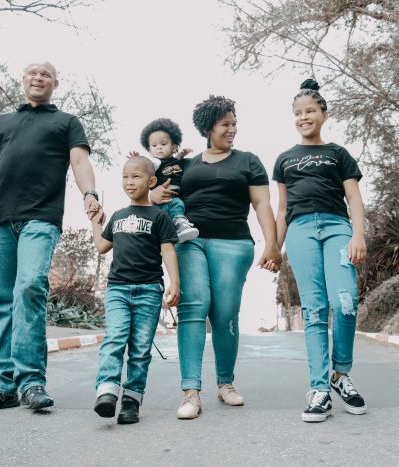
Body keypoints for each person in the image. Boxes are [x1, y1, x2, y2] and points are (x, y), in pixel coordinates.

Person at [0, 62, 102, 413]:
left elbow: (80, 162)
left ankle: (30, 381)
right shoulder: (0, 123)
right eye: (33, 73)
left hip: (41, 217)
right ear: (23, 80)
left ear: (55, 83)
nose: (38, 77)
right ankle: (0, 385)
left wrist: (90, 193)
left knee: (30, 286)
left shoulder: (66, 122)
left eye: (45, 74)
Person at [151, 95, 282, 420]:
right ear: (208, 127)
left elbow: (262, 204)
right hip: (189, 241)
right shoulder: (186, 165)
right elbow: (158, 191)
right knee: (193, 308)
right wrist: (152, 194)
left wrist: (272, 244)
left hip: (233, 243)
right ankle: (191, 392)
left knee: (224, 314)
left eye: (234, 123)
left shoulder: (248, 161)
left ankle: (226, 383)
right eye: (226, 124)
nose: (232, 129)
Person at [273, 79, 367, 423]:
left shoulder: (338, 154)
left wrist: (358, 235)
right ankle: (319, 389)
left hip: (336, 227)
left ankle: (341, 375)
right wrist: (274, 247)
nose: (304, 117)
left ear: (324, 114)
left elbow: (354, 197)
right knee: (314, 309)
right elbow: (282, 208)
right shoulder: (284, 159)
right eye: (298, 113)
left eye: (310, 111)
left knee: (345, 301)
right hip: (300, 231)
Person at [91, 156, 180, 424]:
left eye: (136, 177)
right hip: (117, 289)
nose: (129, 182)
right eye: (125, 177)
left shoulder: (160, 217)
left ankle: (131, 400)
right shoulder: (118, 216)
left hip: (149, 290)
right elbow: (102, 246)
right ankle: (107, 391)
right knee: (115, 338)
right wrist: (95, 221)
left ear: (151, 181)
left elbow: (168, 250)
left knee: (140, 349)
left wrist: (175, 283)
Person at [129, 118, 198, 242]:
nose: (159, 148)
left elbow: (176, 161)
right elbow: (146, 167)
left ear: (173, 147)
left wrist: (182, 154)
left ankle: (178, 228)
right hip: (162, 200)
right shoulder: (155, 163)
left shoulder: (176, 161)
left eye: (163, 144)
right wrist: (138, 160)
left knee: (174, 210)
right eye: (154, 145)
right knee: (177, 205)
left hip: (172, 198)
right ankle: (179, 224)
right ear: (149, 150)